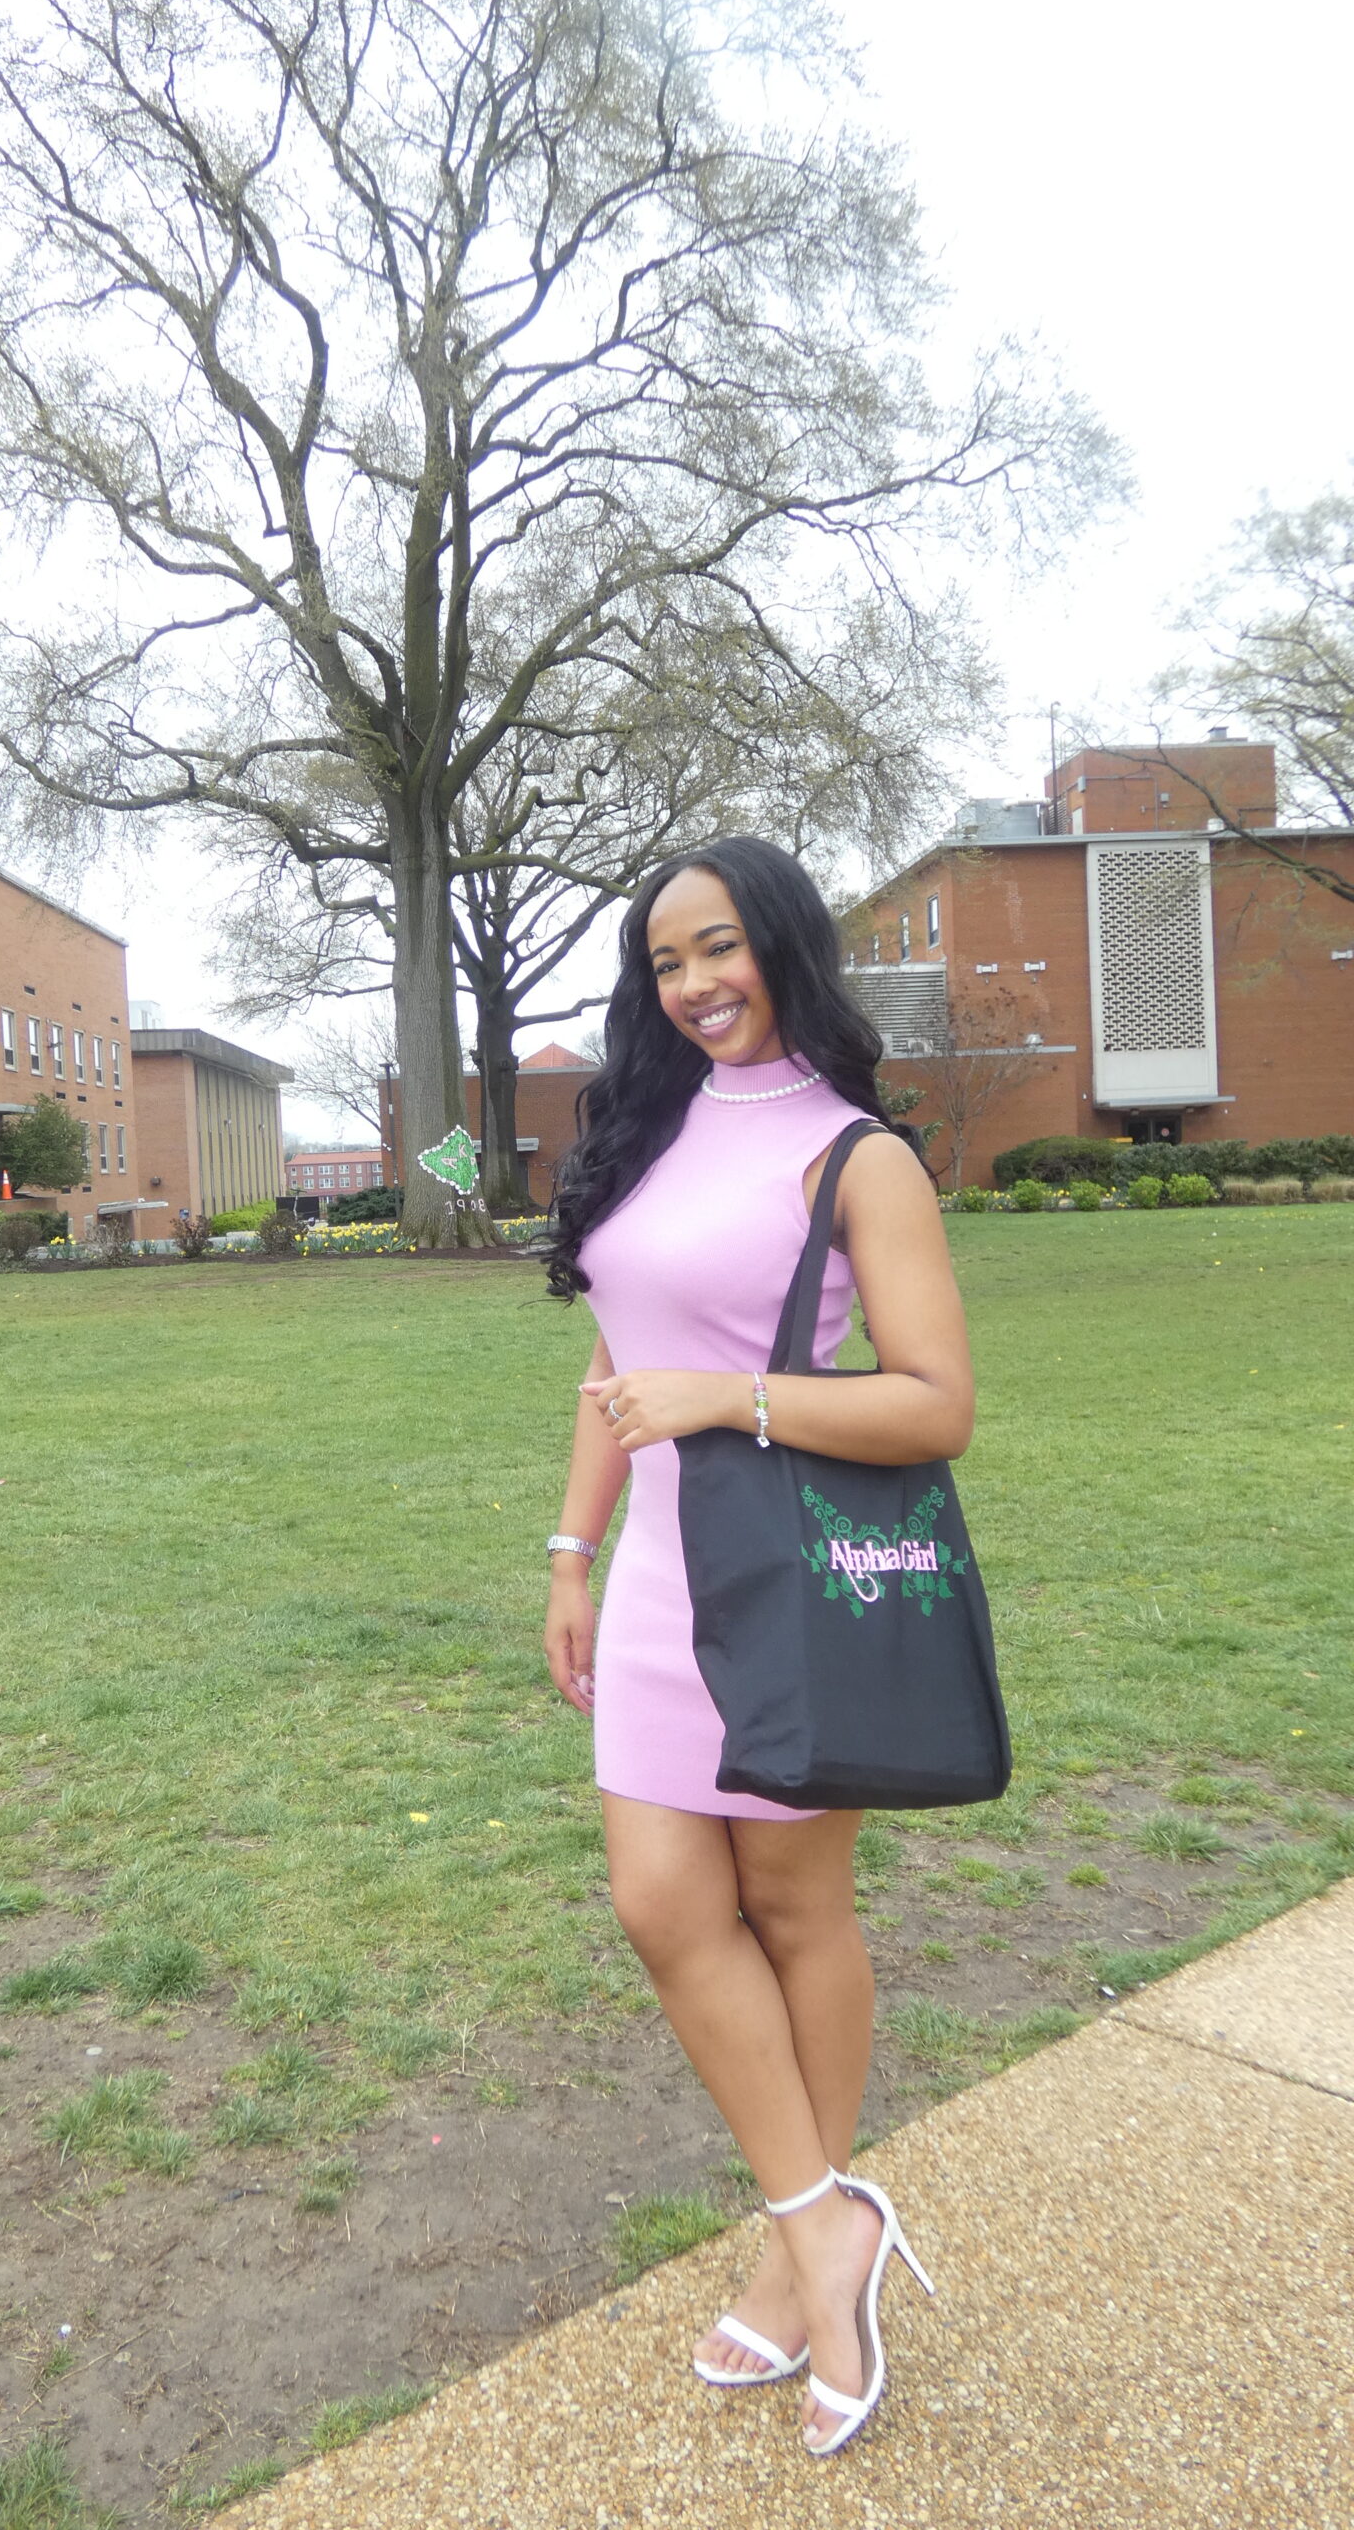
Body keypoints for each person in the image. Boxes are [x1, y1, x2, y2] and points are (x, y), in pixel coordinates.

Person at [543, 836, 974, 2459]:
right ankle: (824, 2224)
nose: (695, 984)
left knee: (794, 1910)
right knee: (663, 1906)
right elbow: (615, 1358)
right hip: (658, 1583)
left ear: (782, 943)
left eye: (718, 946)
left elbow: (936, 1404)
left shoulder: (858, 1155)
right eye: (665, 963)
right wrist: (572, 1552)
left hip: (786, 1582)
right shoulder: (645, 1130)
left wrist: (729, 1398)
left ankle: (805, 2257)